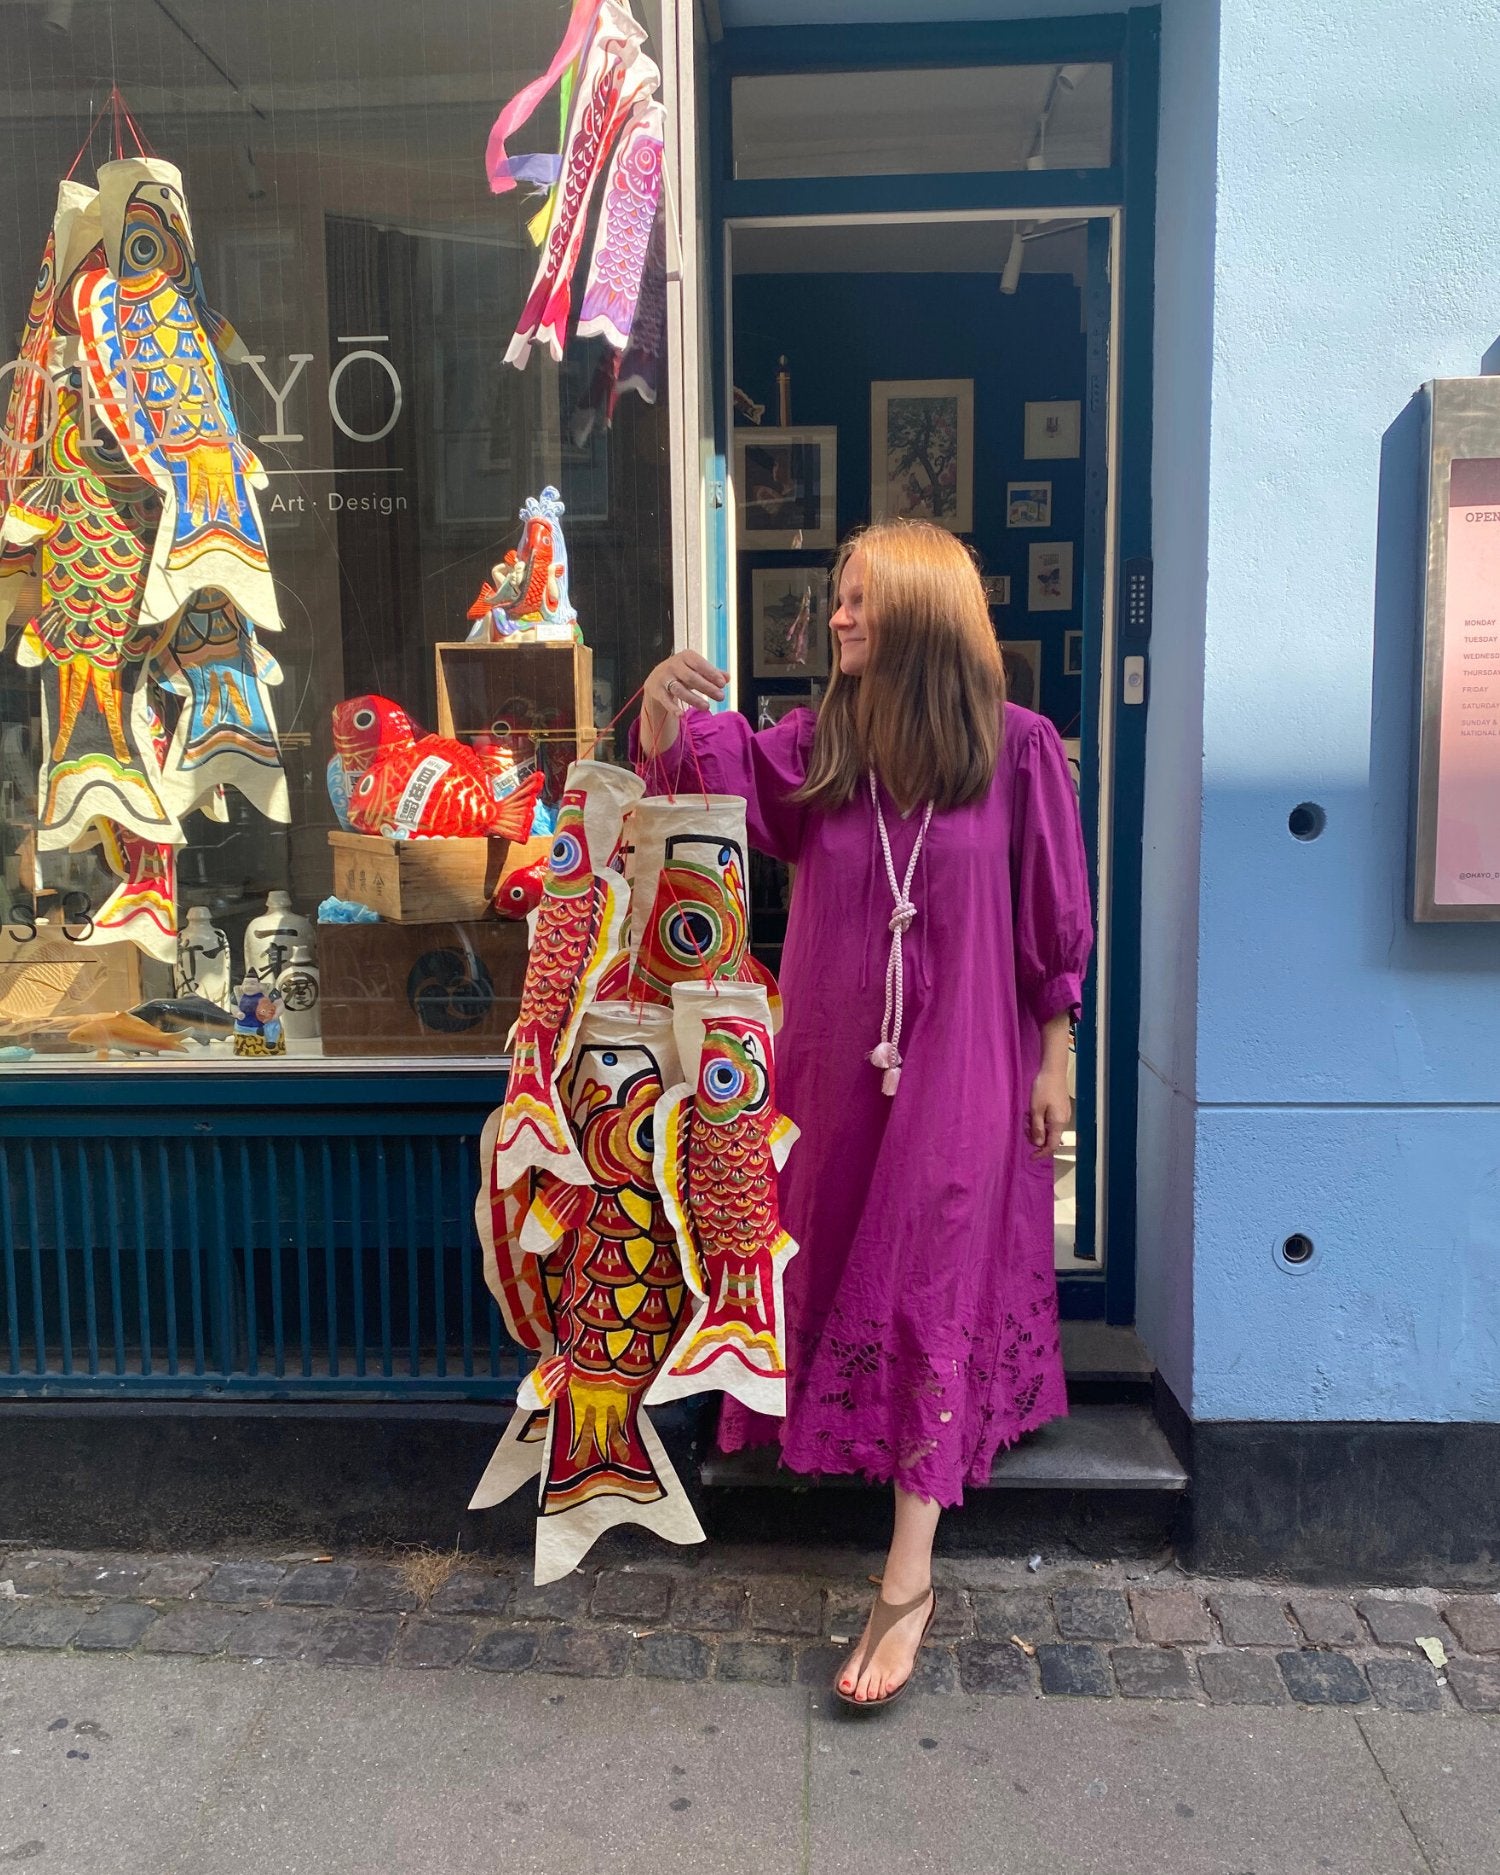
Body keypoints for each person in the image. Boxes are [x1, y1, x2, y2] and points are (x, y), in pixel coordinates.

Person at [637, 520, 1092, 1708]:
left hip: (969, 1068)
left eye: (857, 601)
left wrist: (1060, 1054)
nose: (834, 619)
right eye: (835, 602)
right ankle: (880, 1490)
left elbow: (1050, 922)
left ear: (923, 615)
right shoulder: (822, 749)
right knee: (842, 1255)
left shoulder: (1020, 752)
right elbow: (706, 785)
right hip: (834, 1061)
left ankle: (907, 1577)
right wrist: (658, 709)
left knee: (935, 1275)